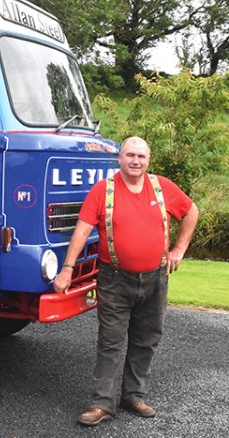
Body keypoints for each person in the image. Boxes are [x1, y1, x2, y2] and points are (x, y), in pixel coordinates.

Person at [53, 136, 199, 427]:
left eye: (141, 157)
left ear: (148, 160)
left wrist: (179, 250)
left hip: (156, 278)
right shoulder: (102, 191)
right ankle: (102, 404)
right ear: (119, 159)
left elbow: (191, 211)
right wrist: (67, 268)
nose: (136, 161)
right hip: (115, 279)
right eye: (130, 155)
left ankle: (133, 395)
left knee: (147, 339)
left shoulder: (163, 187)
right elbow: (81, 231)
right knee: (110, 341)